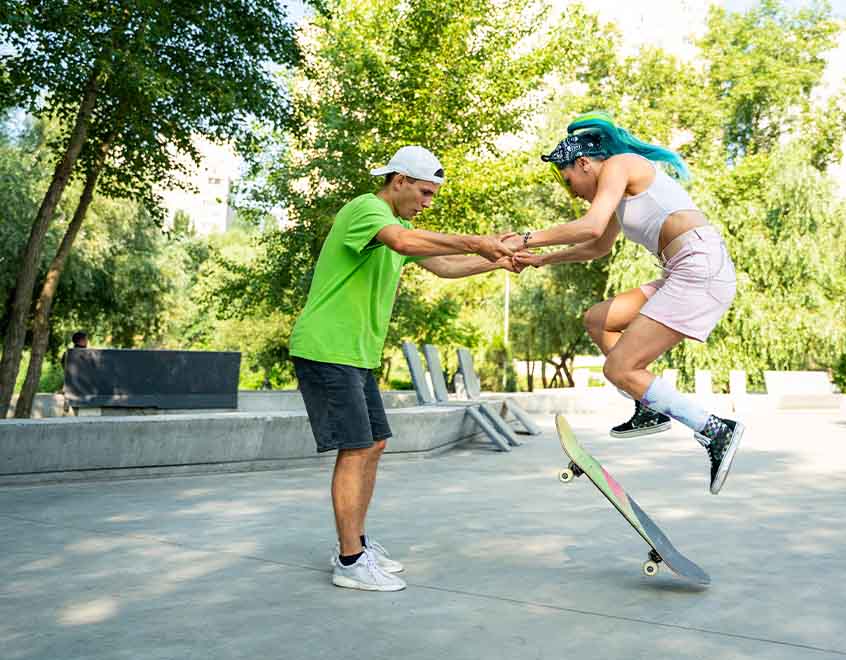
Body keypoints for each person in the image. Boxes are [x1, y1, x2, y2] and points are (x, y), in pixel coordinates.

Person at [289, 145, 519, 592]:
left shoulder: (400, 225)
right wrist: (477, 240)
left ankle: (355, 543)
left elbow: (446, 266)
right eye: (424, 192)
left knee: (373, 443)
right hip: (326, 348)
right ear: (398, 182)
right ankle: (350, 560)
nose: (428, 202)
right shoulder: (366, 210)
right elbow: (402, 242)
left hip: (355, 353)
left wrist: (498, 259)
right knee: (355, 449)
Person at [509, 112, 744, 495]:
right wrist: (541, 259)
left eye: (570, 183)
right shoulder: (619, 194)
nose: (574, 194)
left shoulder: (621, 166)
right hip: (683, 270)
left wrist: (525, 239)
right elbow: (598, 245)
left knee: (619, 367)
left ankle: (716, 430)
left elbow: (590, 226)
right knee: (598, 320)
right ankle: (647, 404)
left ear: (584, 163)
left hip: (700, 269)